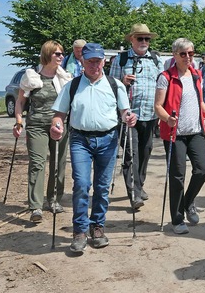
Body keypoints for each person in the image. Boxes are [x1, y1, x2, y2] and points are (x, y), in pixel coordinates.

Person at [50, 42, 137, 253]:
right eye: (90, 61)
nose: (94, 66)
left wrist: (130, 117)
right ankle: (79, 231)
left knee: (101, 186)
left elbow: (124, 112)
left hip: (108, 140)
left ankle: (97, 227)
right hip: (80, 140)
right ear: (82, 61)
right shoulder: (72, 85)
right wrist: (56, 125)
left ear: (104, 62)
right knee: (81, 184)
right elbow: (59, 115)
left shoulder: (115, 85)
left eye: (98, 61)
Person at [155, 38, 205, 235]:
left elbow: (199, 101)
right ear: (175, 55)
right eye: (183, 54)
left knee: (202, 170)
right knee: (177, 177)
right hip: (175, 133)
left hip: (195, 130)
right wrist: (168, 119)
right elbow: (158, 106)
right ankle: (177, 219)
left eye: (191, 53)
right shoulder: (165, 77)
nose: (188, 57)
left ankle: (187, 201)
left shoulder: (196, 75)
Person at [13, 41, 72, 222]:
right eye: (57, 53)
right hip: (36, 125)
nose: (61, 56)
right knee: (38, 164)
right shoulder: (32, 77)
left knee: (58, 164)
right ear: (47, 55)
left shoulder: (65, 78)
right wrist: (18, 122)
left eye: (61, 53)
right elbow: (20, 102)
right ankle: (36, 206)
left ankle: (53, 200)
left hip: (60, 125)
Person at [109, 23, 164, 209]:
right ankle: (134, 193)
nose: (144, 41)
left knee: (145, 152)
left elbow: (161, 87)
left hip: (150, 115)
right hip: (128, 116)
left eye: (147, 38)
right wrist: (122, 82)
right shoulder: (121, 60)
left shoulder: (156, 60)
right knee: (131, 155)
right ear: (131, 39)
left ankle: (139, 185)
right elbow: (110, 88)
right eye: (140, 38)